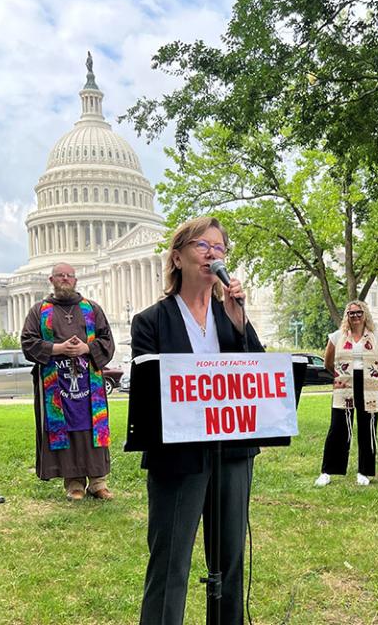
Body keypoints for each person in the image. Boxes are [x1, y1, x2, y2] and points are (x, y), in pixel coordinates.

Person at [130, 216, 264, 625]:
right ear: (177, 257)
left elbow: (257, 374)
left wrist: (239, 322)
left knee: (230, 559)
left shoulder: (230, 315)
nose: (212, 254)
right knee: (171, 561)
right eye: (202, 246)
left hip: (232, 453)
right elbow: (150, 392)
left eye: (219, 248)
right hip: (178, 456)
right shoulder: (151, 321)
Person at [21, 262, 115, 501]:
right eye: (60, 276)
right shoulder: (39, 311)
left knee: (92, 428)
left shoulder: (91, 309)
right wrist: (56, 348)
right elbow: (28, 342)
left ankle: (98, 483)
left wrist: (86, 347)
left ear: (75, 280)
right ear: (51, 280)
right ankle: (73, 483)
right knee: (66, 430)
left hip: (89, 384)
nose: (65, 279)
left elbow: (106, 340)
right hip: (56, 386)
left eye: (69, 276)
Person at [314, 300, 378, 487]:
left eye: (359, 312)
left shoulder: (376, 336)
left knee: (367, 428)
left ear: (365, 314)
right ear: (347, 316)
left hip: (369, 386)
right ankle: (327, 471)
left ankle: (364, 471)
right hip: (344, 384)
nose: (355, 316)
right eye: (351, 313)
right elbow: (328, 363)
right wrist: (342, 376)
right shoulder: (337, 336)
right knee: (338, 428)